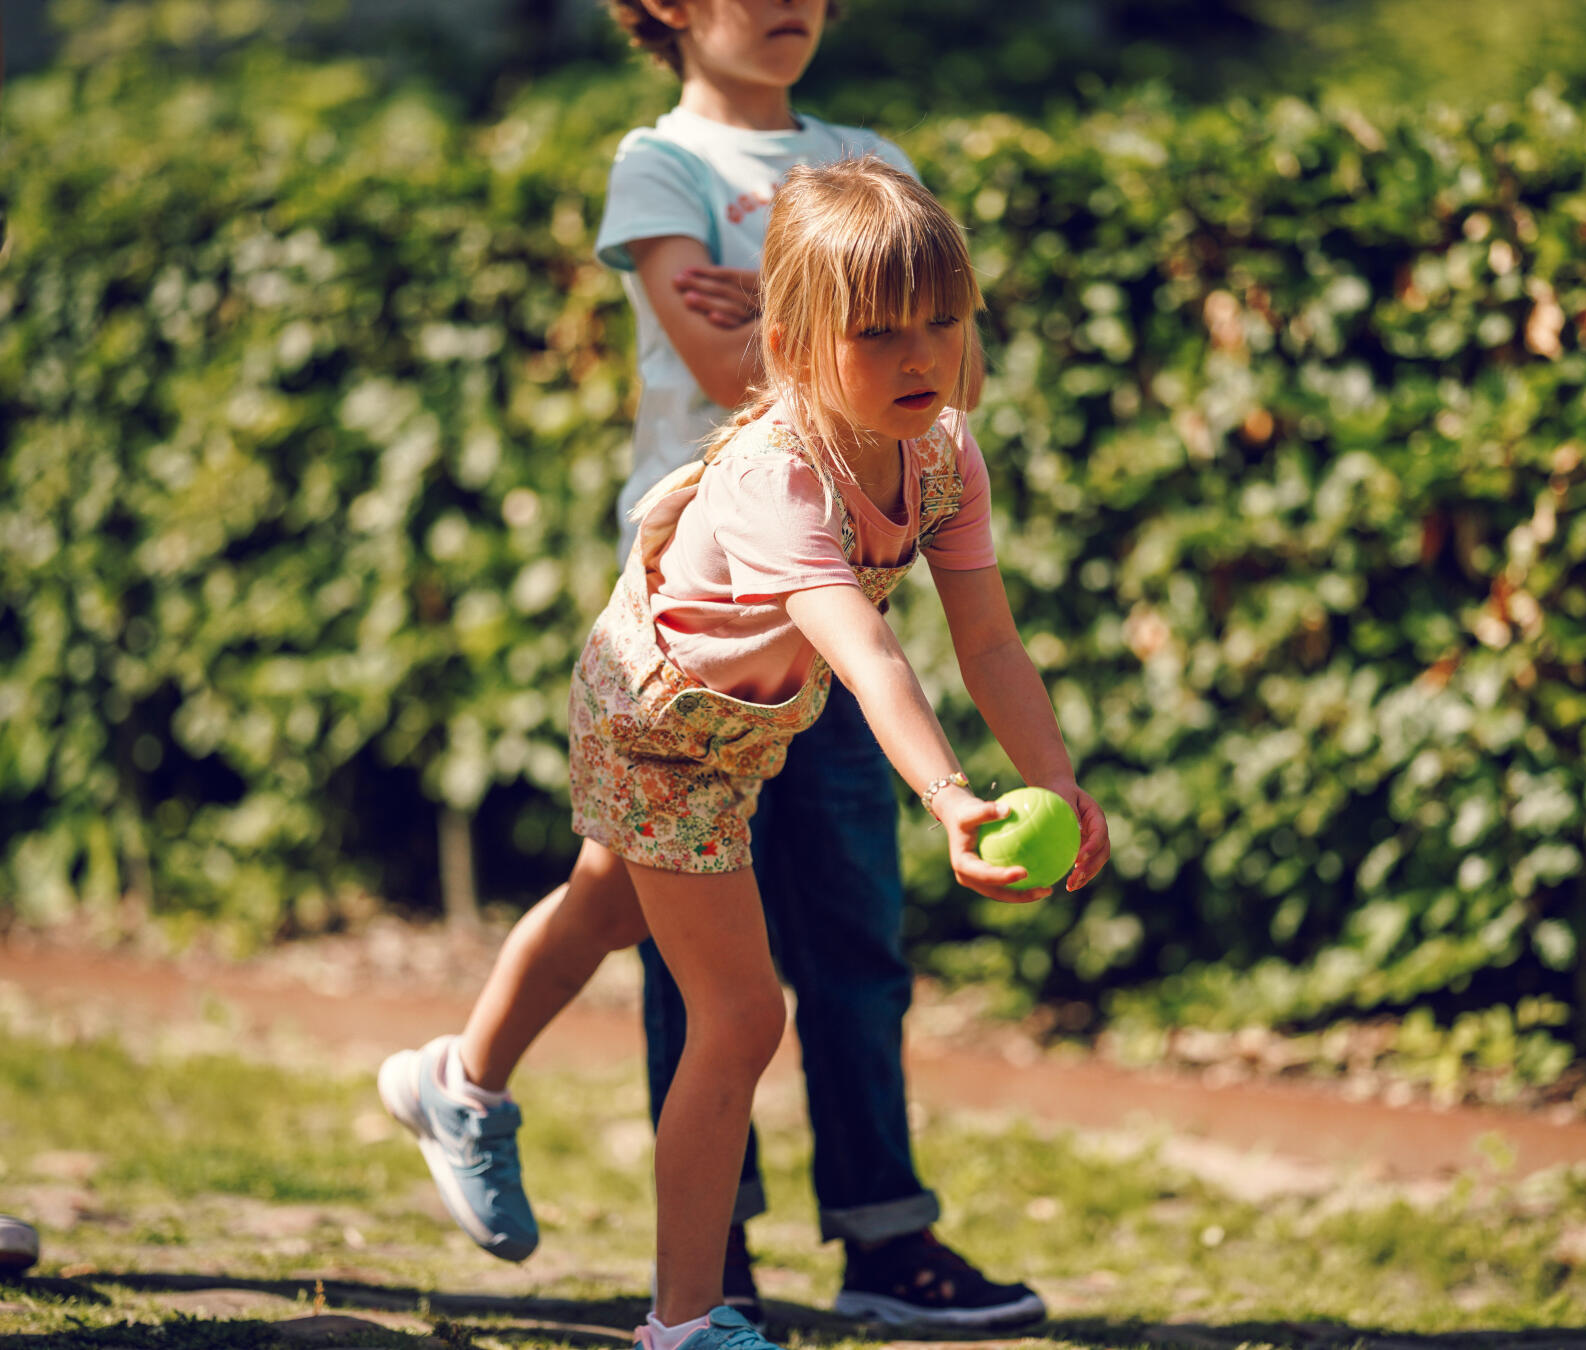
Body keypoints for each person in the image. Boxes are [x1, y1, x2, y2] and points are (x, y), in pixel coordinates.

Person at [380, 0, 1076, 1332]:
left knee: (606, 904)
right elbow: (872, 658)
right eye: (878, 333)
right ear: (801, 350)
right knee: (740, 1010)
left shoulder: (939, 451)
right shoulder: (777, 474)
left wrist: (1060, 786)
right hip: (662, 716)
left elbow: (986, 636)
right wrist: (952, 802)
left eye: (941, 323)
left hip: (750, 703)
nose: (919, 355)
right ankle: (691, 1315)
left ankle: (458, 1078)